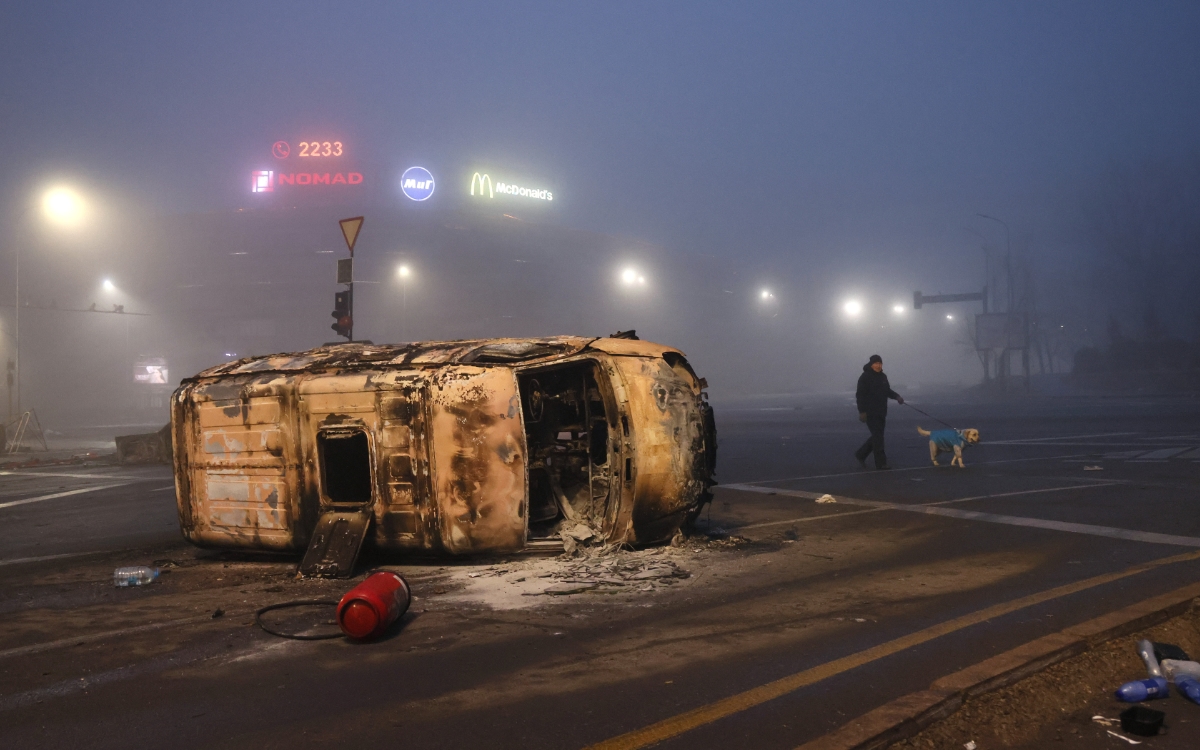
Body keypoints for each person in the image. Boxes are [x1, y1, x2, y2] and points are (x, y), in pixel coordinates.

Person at [855, 354, 904, 470]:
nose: (878, 365)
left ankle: (861, 454)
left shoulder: (883, 377)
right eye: (876, 363)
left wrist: (897, 397)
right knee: (878, 437)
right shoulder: (865, 377)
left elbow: (887, 391)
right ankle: (881, 463)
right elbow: (860, 396)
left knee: (878, 437)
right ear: (871, 364)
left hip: (882, 411)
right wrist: (862, 411)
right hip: (870, 412)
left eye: (880, 363)